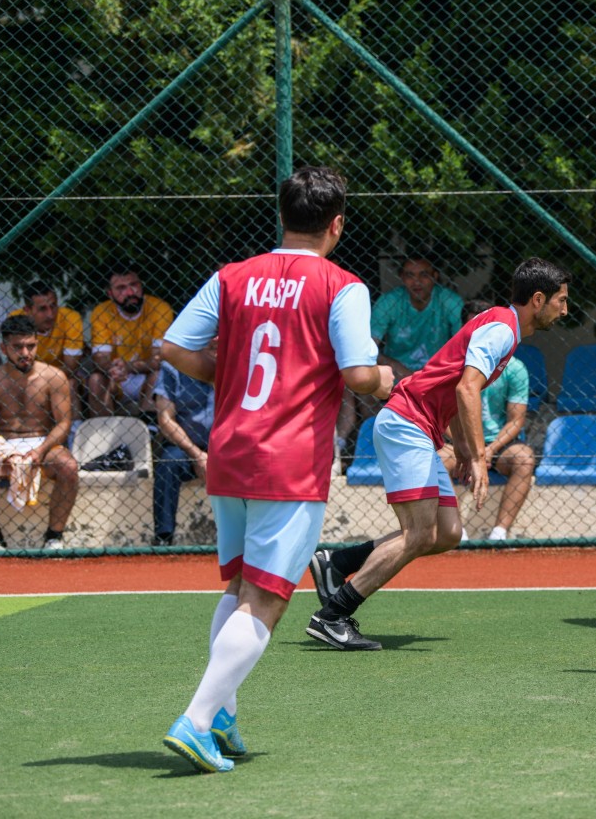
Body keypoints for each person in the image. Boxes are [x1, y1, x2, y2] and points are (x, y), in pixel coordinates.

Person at [158, 165, 394, 774]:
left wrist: (227, 373)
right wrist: (386, 378)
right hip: (288, 461)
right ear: (336, 224)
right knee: (265, 601)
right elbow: (358, 376)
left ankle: (225, 715)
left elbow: (174, 347)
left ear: (282, 216)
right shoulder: (344, 286)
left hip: (230, 450)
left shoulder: (232, 277)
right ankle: (197, 720)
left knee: (239, 589)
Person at [305, 258, 570, 651]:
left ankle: (339, 562)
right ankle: (333, 616)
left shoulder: (504, 328)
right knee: (419, 534)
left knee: (446, 533)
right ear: (537, 299)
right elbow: (467, 390)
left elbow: (455, 392)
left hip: (419, 427)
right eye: (561, 301)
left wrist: (463, 447)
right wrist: (479, 457)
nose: (564, 310)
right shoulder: (500, 328)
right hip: (405, 423)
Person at [335, 256, 464, 469]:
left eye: (423, 275)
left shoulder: (450, 302)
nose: (417, 282)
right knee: (357, 379)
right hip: (396, 373)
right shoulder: (390, 302)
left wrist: (435, 371)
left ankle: (439, 441)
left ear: (435, 277)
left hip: (437, 373)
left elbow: (463, 348)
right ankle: (359, 443)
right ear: (402, 279)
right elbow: (368, 347)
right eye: (410, 275)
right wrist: (397, 367)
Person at [438, 299, 536, 542]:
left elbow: (516, 420)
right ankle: (456, 531)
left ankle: (499, 533)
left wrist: (488, 449)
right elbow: (442, 416)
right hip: (460, 444)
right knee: (435, 459)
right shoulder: (452, 363)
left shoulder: (515, 368)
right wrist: (467, 448)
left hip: (498, 447)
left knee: (524, 458)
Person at [0, 315, 79, 551]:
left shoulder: (54, 377)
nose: (25, 352)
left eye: (31, 345)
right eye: (17, 347)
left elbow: (63, 423)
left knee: (68, 467)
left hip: (43, 444)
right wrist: (6, 453)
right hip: (4, 445)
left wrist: (40, 451)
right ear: (4, 348)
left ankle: (54, 536)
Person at [150, 341, 217, 547]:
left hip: (227, 446)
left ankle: (248, 537)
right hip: (187, 447)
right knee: (168, 462)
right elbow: (165, 419)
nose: (216, 340)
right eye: (211, 337)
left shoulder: (240, 365)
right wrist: (196, 454)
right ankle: (163, 537)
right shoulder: (174, 368)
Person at [87, 265, 175, 417]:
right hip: (115, 376)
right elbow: (100, 357)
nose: (130, 292)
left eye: (134, 285)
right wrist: (113, 369)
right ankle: (102, 433)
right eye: (121, 288)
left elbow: (158, 359)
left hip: (146, 375)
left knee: (159, 374)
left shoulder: (160, 308)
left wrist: (128, 367)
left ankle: (150, 429)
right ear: (110, 293)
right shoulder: (101, 312)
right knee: (96, 379)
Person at [16, 283, 85, 417]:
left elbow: (71, 367)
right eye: (42, 309)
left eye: (53, 306)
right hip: (30, 378)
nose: (50, 314)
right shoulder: (16, 320)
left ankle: (74, 432)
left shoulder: (71, 318)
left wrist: (42, 379)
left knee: (69, 384)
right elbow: (19, 366)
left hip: (63, 376)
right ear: (27, 310)